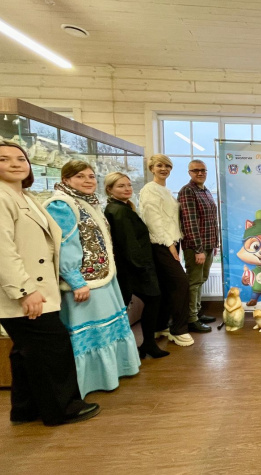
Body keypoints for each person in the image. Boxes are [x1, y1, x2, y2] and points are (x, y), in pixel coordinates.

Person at [0, 141, 99, 426]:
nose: (16, 164)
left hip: (36, 288)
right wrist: (24, 291)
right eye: (4, 159)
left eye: (20, 159)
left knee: (26, 350)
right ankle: (61, 409)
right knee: (52, 347)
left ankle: (25, 409)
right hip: (24, 292)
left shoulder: (23, 196)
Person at [44, 161, 140, 397]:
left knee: (106, 326)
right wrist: (76, 281)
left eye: (90, 176)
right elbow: (64, 245)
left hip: (102, 277)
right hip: (84, 283)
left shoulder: (86, 202)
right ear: (66, 179)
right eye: (80, 176)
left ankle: (111, 373)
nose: (88, 181)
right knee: (90, 331)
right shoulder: (61, 204)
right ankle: (88, 381)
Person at [104, 172, 169, 359]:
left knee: (135, 304)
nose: (127, 189)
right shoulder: (120, 211)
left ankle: (141, 345)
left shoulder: (121, 208)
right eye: (121, 186)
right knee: (152, 299)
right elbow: (129, 243)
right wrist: (143, 267)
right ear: (109, 189)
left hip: (131, 267)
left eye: (129, 185)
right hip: (135, 268)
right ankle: (144, 344)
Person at [139, 154, 194, 346]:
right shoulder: (149, 190)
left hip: (172, 241)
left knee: (165, 285)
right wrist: (169, 244)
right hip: (161, 243)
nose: (164, 169)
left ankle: (160, 325)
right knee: (181, 283)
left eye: (167, 166)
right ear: (151, 168)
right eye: (159, 165)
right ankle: (179, 330)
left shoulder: (164, 190)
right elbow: (153, 220)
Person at [178, 159, 220, 332]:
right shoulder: (187, 191)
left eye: (203, 170)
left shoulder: (205, 191)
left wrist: (214, 244)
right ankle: (191, 318)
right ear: (189, 173)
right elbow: (190, 223)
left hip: (208, 245)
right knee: (194, 281)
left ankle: (196, 311)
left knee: (201, 280)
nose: (200, 173)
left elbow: (211, 220)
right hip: (196, 247)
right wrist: (198, 249)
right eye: (195, 170)